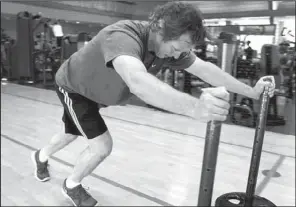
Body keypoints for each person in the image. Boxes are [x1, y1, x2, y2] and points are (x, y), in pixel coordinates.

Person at [31, 1, 275, 206]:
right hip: (75, 89)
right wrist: (194, 108)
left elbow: (205, 69)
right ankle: (71, 185)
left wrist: (251, 92)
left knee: (70, 133)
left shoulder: (169, 48)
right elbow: (137, 81)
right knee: (101, 146)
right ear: (160, 27)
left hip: (95, 94)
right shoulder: (122, 35)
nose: (179, 55)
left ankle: (40, 156)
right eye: (179, 47)